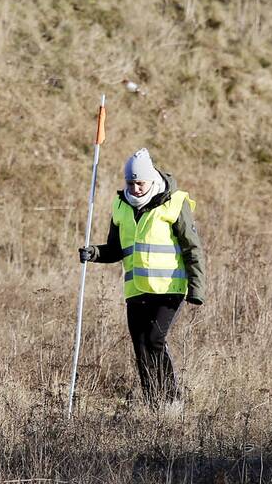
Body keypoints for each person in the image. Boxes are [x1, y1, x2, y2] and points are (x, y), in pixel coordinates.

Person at [79, 148, 205, 409]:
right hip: (136, 290)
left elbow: (192, 248)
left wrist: (196, 288)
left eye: (140, 182)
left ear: (151, 179)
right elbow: (115, 249)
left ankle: (171, 402)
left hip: (169, 287)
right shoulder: (120, 206)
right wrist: (94, 253)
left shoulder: (174, 202)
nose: (135, 188)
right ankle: (154, 405)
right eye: (130, 183)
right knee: (141, 347)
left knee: (154, 340)